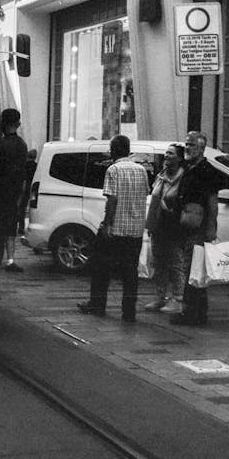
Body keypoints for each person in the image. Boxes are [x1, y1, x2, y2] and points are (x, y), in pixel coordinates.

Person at [78, 135, 149, 322]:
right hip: (135, 229)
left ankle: (97, 304)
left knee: (101, 268)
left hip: (116, 228)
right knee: (130, 272)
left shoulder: (113, 170)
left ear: (114, 150)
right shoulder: (141, 170)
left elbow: (112, 199)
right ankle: (129, 312)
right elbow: (143, 195)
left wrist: (107, 223)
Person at [170, 131, 219, 326]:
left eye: (191, 145)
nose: (187, 148)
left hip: (198, 229)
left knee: (194, 271)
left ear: (201, 149)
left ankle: (194, 313)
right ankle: (194, 312)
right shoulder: (190, 168)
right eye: (186, 144)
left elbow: (212, 203)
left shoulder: (207, 171)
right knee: (192, 270)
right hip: (188, 226)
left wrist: (210, 229)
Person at [143, 143, 186, 315]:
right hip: (157, 225)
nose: (167, 156)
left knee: (176, 263)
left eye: (171, 154)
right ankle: (160, 296)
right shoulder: (161, 176)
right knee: (159, 262)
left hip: (173, 227)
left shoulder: (183, 179)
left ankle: (178, 297)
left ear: (180, 158)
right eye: (166, 153)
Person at [0, 109, 29, 273]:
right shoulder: (22, 145)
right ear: (18, 124)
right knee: (10, 229)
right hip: (14, 193)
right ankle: (11, 260)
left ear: (2, 123)